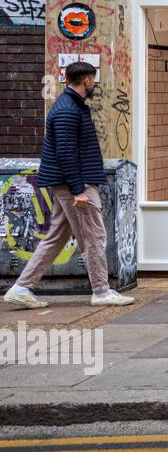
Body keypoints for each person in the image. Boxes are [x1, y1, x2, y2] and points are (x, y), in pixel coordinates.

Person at [4, 61, 134, 309]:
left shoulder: (70, 106)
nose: (94, 84)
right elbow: (65, 152)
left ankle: (21, 287)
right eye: (93, 80)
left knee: (55, 237)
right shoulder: (67, 110)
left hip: (71, 183)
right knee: (94, 236)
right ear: (86, 80)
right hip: (76, 185)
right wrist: (78, 190)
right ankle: (101, 291)